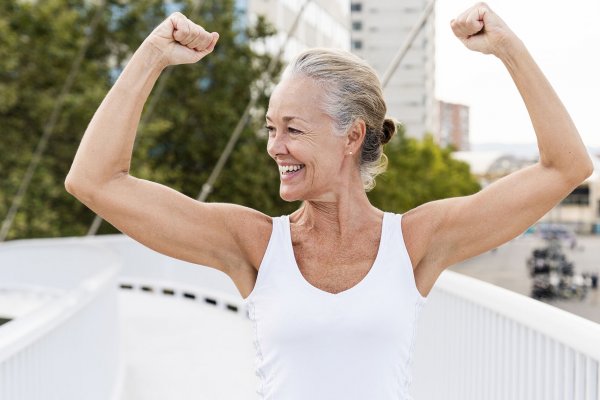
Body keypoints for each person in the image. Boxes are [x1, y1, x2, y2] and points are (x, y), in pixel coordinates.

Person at [65, 3, 593, 399]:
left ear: (350, 136)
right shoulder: (251, 242)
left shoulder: (415, 241)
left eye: (293, 129)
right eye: (271, 128)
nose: (275, 147)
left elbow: (566, 166)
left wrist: (508, 47)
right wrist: (153, 54)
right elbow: (95, 181)